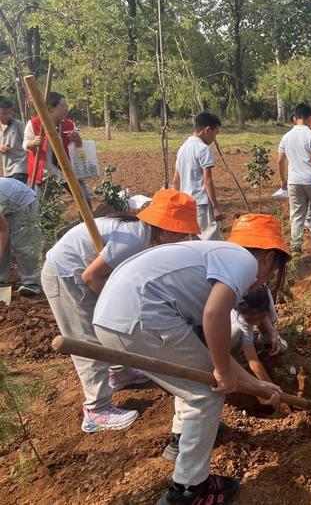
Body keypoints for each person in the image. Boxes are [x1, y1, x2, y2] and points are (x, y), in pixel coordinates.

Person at [92, 213, 288, 505]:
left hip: (113, 317)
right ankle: (189, 490)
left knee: (192, 379)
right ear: (268, 257)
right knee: (205, 395)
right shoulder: (243, 262)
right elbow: (214, 316)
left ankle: (180, 439)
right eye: (271, 274)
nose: (262, 282)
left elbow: (207, 349)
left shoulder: (212, 258)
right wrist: (222, 371)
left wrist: (258, 386)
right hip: (143, 317)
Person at [41, 189, 200, 433]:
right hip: (67, 277)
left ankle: (120, 373)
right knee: (87, 340)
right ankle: (96, 410)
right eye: (182, 233)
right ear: (167, 229)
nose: (183, 239)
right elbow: (90, 276)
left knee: (105, 327)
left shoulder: (144, 234)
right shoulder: (135, 237)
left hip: (83, 274)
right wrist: (115, 305)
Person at [162, 284, 287, 463]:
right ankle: (179, 439)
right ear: (248, 314)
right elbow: (253, 362)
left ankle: (192, 430)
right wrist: (268, 390)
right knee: (199, 388)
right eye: (258, 318)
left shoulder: (241, 302)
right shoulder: (239, 324)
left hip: (202, 339)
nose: (261, 320)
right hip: (188, 343)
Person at [278, 103, 311, 254]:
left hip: (294, 181)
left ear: (295, 118)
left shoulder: (286, 137)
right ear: (309, 118)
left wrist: (283, 179)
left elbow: (280, 160)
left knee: (296, 213)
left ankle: (296, 245)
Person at [23, 92, 91, 205]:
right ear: (51, 108)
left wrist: (77, 139)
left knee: (84, 199)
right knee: (40, 205)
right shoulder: (34, 123)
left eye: (66, 106)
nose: (66, 109)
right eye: (63, 106)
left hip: (65, 170)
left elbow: (79, 145)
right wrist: (34, 143)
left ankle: (85, 222)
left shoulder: (69, 124)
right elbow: (26, 145)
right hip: (44, 172)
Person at [173, 112, 224, 240]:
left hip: (187, 202)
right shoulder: (203, 149)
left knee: (194, 242)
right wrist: (216, 207)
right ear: (207, 130)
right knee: (209, 240)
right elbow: (207, 180)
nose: (214, 139)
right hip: (201, 203)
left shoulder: (182, 148)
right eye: (215, 133)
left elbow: (175, 181)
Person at [0, 177, 41, 295]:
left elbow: (3, 230)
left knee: (23, 244)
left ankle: (31, 283)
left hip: (22, 202)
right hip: (6, 202)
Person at [0, 98, 27, 183]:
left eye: (10, 113)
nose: (7, 116)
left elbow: (28, 142)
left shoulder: (18, 124)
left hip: (20, 167)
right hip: (6, 170)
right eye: (4, 113)